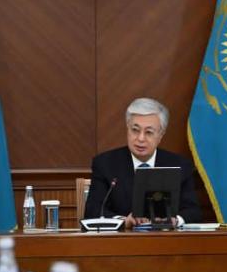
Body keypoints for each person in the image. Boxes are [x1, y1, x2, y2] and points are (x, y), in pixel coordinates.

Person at [85, 98, 201, 229]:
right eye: (135, 130)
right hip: (123, 239)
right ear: (127, 129)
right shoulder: (105, 164)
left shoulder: (180, 165)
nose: (140, 138)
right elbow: (93, 211)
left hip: (166, 238)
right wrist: (124, 221)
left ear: (161, 135)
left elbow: (193, 211)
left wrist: (175, 220)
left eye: (149, 132)